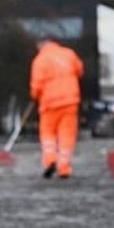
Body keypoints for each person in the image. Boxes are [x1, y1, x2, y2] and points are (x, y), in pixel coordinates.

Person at [29, 37, 84, 179]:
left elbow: (37, 84)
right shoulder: (69, 54)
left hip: (49, 104)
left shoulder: (39, 60)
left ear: (41, 46)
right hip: (70, 101)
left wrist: (35, 96)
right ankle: (64, 168)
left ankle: (50, 160)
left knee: (48, 134)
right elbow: (80, 70)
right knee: (67, 135)